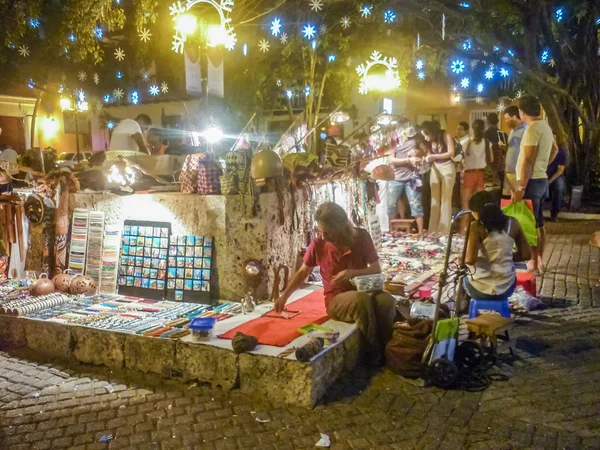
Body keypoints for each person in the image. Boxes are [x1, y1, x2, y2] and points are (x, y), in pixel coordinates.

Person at [274, 202, 396, 364]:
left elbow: (375, 269)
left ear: (342, 226)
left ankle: (390, 349)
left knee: (386, 300)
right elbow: (303, 272)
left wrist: (353, 273)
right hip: (336, 299)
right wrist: (284, 297)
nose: (323, 236)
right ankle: (374, 356)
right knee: (361, 301)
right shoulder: (318, 244)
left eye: (328, 232)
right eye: (320, 231)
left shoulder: (361, 236)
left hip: (364, 289)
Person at [512, 95, 558, 273]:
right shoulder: (545, 126)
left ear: (522, 112)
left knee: (530, 224)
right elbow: (554, 149)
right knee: (539, 223)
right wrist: (544, 164)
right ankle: (539, 259)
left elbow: (528, 160)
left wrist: (521, 186)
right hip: (541, 178)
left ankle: (533, 260)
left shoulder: (532, 130)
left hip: (530, 181)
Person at [463, 191, 531, 301]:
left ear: (476, 212)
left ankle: (464, 304)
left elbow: (470, 260)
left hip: (479, 289)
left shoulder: (476, 227)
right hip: (506, 287)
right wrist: (504, 256)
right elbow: (526, 255)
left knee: (461, 278)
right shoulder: (513, 223)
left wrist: (460, 259)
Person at [387, 126, 425, 234]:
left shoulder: (415, 140)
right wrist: (408, 160)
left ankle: (421, 232)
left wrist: (418, 152)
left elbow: (424, 151)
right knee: (391, 205)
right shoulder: (393, 141)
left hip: (412, 177)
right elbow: (391, 160)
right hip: (395, 177)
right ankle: (391, 231)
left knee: (416, 205)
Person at [421, 121, 456, 234]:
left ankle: (444, 230)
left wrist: (434, 156)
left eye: (427, 135)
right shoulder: (428, 142)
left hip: (447, 167)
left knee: (446, 199)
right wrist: (425, 158)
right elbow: (428, 155)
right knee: (434, 200)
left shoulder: (446, 136)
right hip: (435, 167)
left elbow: (451, 153)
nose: (426, 138)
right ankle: (433, 229)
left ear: (432, 132)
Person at [460, 119, 493, 233]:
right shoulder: (486, 142)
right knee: (480, 203)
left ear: (472, 129)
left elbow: (459, 158)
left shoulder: (466, 142)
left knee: (465, 203)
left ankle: (463, 230)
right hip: (481, 173)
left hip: (469, 174)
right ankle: (481, 228)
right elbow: (491, 159)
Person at [501, 106, 527, 197]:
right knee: (508, 198)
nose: (506, 121)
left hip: (518, 171)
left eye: (507, 118)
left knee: (518, 198)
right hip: (509, 170)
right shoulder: (512, 131)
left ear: (515, 117)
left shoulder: (526, 130)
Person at [484, 113, 508, 192]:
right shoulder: (502, 134)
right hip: (499, 166)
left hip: (487, 167)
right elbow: (505, 151)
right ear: (497, 121)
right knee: (500, 189)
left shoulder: (484, 134)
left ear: (487, 122)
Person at [547, 134, 568, 222]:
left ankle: (555, 213)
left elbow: (560, 171)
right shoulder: (543, 149)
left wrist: (549, 181)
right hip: (542, 174)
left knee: (559, 187)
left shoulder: (561, 151)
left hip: (555, 176)